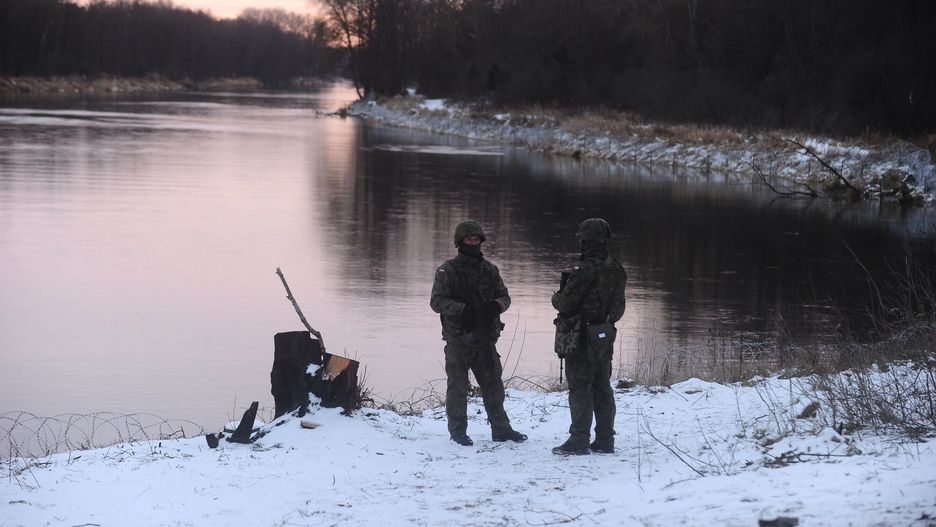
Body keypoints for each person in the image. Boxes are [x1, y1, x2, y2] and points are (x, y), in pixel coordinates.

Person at [430, 220, 527, 446]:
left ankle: (501, 429)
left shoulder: (490, 270)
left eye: (476, 239)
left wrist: (495, 306)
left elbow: (505, 297)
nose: (473, 242)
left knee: (494, 385)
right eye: (469, 239)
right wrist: (464, 310)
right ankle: (457, 432)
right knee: (457, 388)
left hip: (485, 340)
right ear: (460, 242)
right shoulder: (448, 270)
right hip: (458, 340)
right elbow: (436, 302)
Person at [551, 218, 627, 455]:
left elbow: (565, 303)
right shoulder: (617, 268)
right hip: (604, 334)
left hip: (582, 335)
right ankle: (605, 439)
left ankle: (579, 440)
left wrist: (557, 295)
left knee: (580, 387)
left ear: (586, 240)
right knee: (602, 387)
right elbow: (619, 308)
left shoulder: (586, 270)